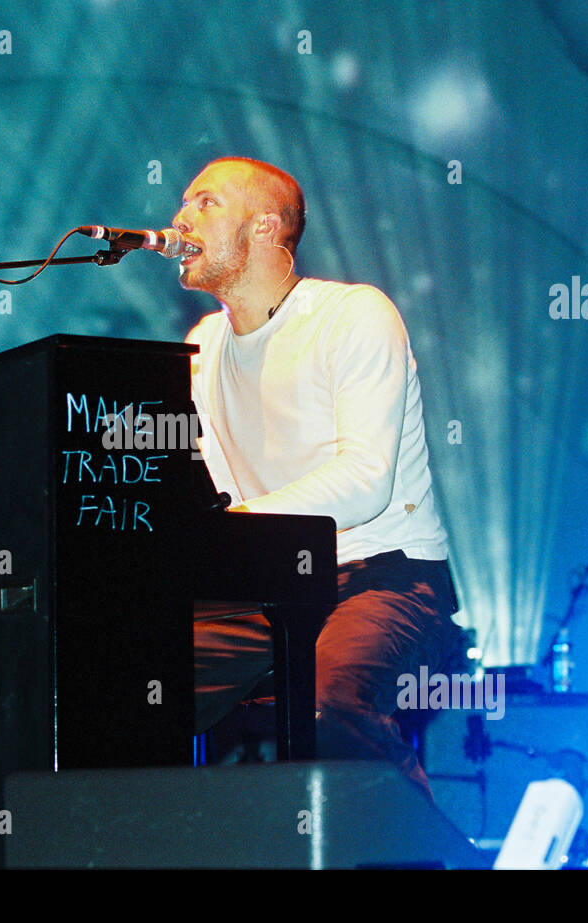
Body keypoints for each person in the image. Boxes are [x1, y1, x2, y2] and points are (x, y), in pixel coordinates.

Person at [173, 156, 462, 796]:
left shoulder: (354, 315)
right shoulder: (205, 346)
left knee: (327, 708)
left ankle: (431, 853)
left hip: (385, 575)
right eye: (183, 204)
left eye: (205, 202)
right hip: (271, 585)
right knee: (128, 689)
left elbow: (364, 481)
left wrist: (229, 533)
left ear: (266, 227)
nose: (180, 218)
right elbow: (212, 490)